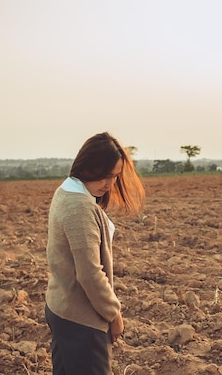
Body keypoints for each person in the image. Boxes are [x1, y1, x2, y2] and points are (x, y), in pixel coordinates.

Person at [45, 132, 145, 375]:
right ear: (87, 166)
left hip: (62, 307)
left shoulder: (66, 192)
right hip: (81, 319)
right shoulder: (79, 206)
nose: (109, 183)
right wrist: (114, 314)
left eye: (114, 176)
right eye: (104, 174)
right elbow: (90, 273)